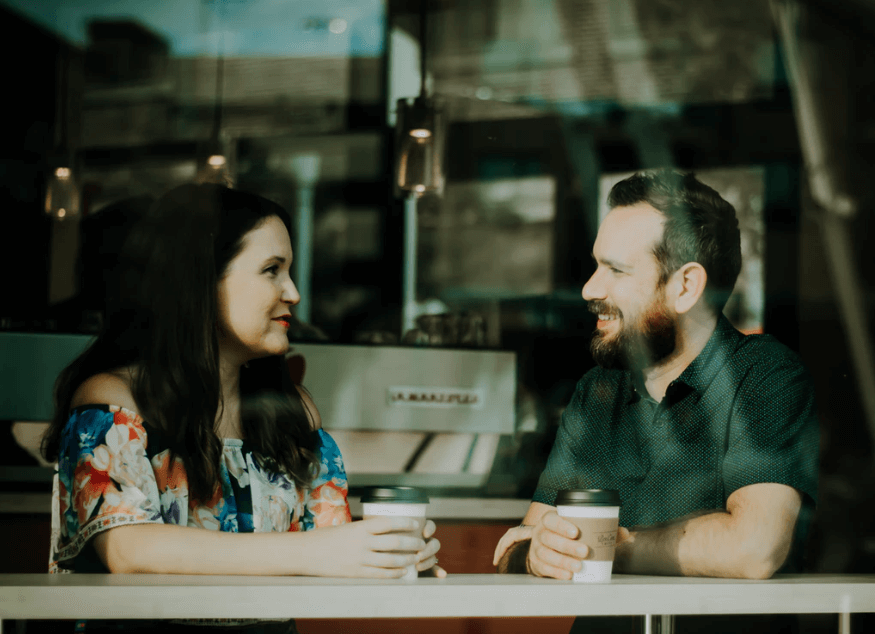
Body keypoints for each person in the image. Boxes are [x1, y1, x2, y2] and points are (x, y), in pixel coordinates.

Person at [41, 184, 444, 633]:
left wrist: (391, 552)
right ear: (198, 282)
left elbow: (332, 543)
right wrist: (322, 552)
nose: (292, 292)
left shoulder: (292, 410)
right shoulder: (113, 399)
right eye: (271, 270)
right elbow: (128, 550)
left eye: (289, 271)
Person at [493, 169, 818, 632]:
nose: (590, 289)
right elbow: (522, 543)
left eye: (616, 270)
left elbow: (754, 549)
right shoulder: (597, 392)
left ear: (685, 287)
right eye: (595, 265)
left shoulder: (763, 376)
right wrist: (535, 554)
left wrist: (610, 546)